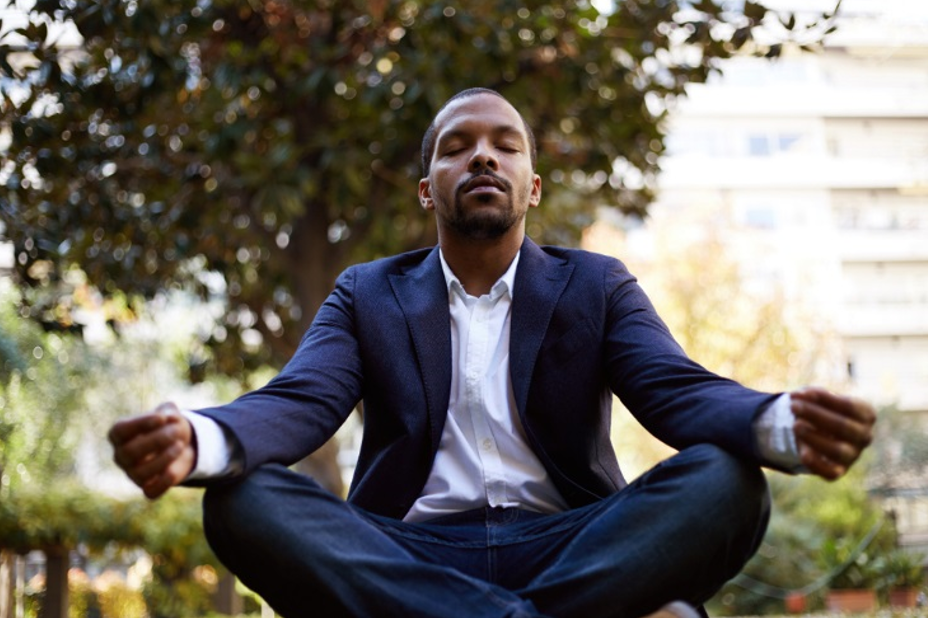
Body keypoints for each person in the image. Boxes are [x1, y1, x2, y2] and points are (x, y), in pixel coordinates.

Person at [109, 88, 875, 618]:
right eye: (458, 147)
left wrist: (779, 423)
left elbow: (675, 391)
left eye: (505, 146)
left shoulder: (597, 284)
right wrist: (199, 439)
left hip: (573, 545)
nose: (483, 158)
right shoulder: (366, 293)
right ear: (426, 187)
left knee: (726, 478)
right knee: (243, 496)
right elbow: (299, 400)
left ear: (532, 186)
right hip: (407, 553)